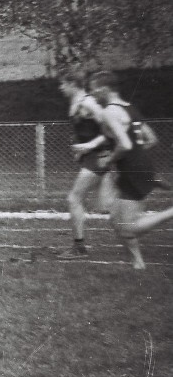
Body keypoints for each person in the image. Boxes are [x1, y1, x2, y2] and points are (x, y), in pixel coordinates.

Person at [88, 70, 173, 269]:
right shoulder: (129, 108)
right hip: (137, 167)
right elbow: (151, 139)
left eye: (93, 91)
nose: (92, 95)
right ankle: (137, 263)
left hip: (133, 170)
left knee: (129, 227)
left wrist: (109, 160)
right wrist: (136, 160)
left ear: (104, 89)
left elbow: (125, 144)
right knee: (116, 218)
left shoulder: (110, 111)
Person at [55, 72, 115, 259]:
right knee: (108, 205)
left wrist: (90, 146)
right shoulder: (76, 103)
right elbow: (86, 130)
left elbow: (113, 129)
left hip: (100, 156)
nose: (60, 88)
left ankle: (79, 247)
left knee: (74, 198)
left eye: (63, 84)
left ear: (73, 83)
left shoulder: (88, 103)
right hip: (92, 156)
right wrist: (81, 147)